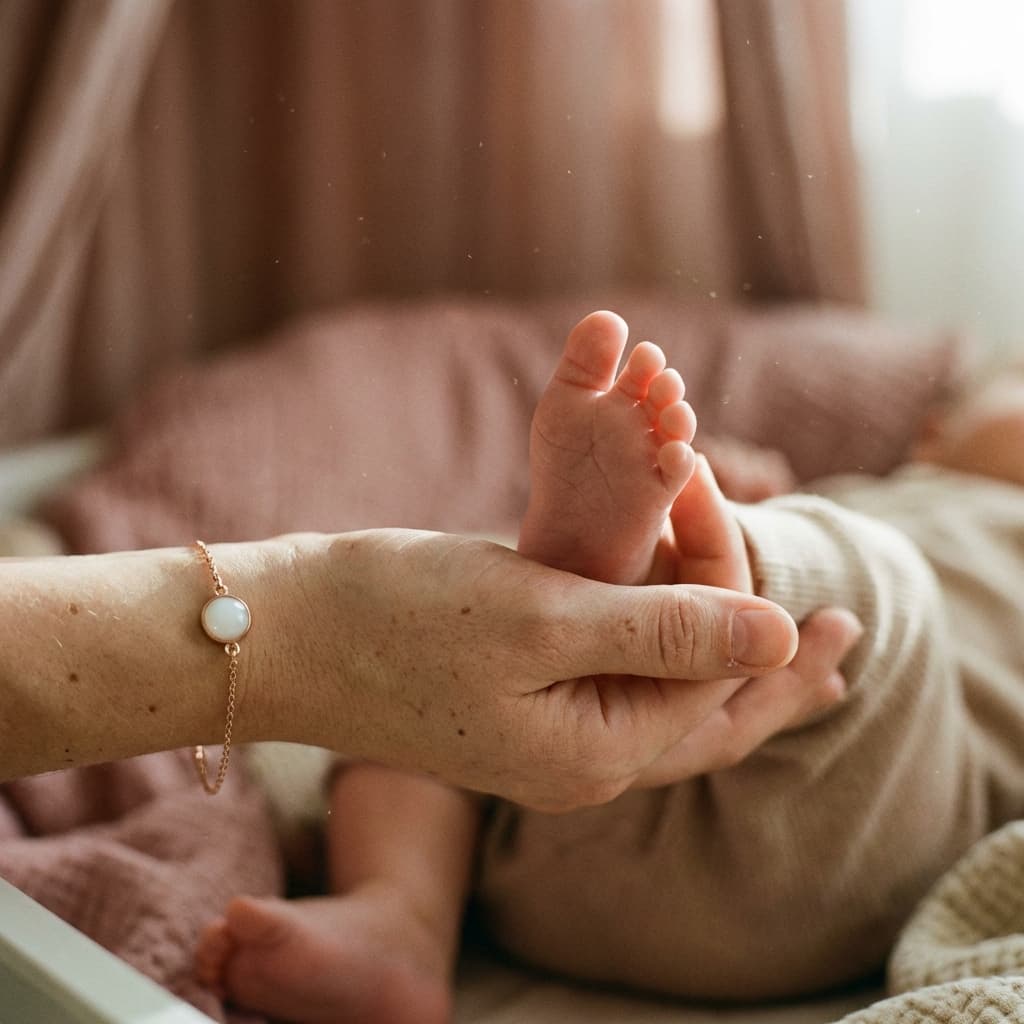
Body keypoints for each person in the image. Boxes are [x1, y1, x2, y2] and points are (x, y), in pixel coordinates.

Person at [192, 312, 866, 1022]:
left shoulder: (972, 522)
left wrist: (739, 519)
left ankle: (672, 565)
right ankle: (402, 925)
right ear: (935, 435)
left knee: (864, 575)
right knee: (425, 671)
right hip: (544, 855)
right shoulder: (916, 482)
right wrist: (753, 492)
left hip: (818, 801)